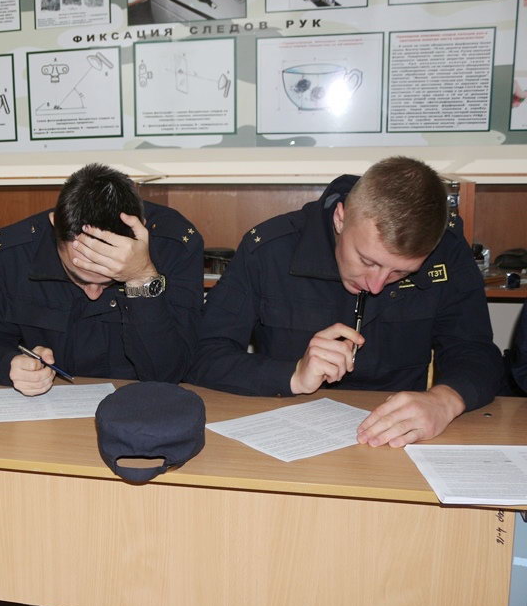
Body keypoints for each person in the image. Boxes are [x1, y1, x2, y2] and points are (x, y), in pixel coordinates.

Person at [0, 164, 202, 606]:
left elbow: (171, 371)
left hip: (142, 427)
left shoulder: (176, 243)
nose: (93, 291)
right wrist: (11, 364)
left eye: (107, 278)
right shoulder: (13, 248)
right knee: (48, 539)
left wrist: (141, 277)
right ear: (56, 226)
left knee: (144, 562)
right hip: (53, 429)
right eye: (78, 274)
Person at [190, 156, 504, 447]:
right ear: (340, 219)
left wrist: (445, 401)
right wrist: (292, 374)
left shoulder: (448, 253)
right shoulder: (270, 250)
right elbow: (203, 355)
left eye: (401, 272)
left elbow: (476, 352)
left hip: (394, 440)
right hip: (286, 433)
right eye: (367, 261)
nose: (376, 285)